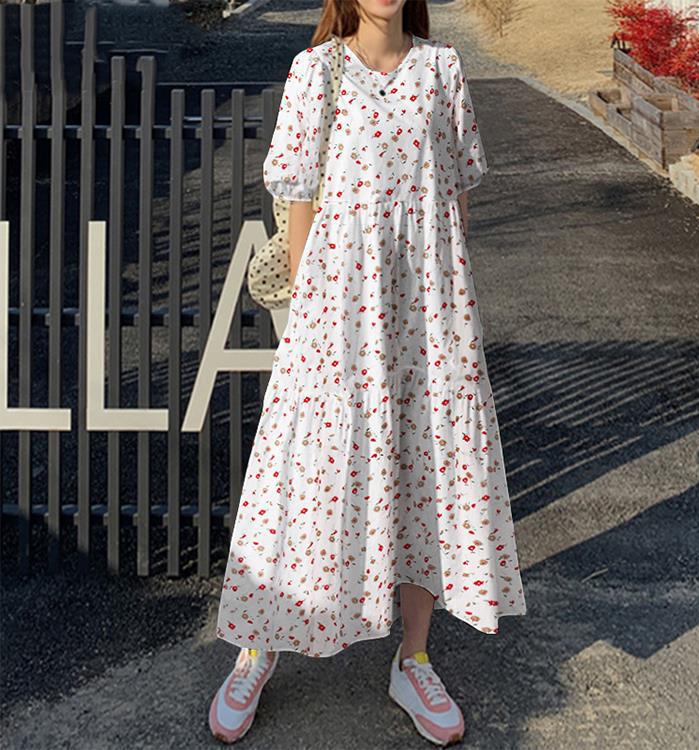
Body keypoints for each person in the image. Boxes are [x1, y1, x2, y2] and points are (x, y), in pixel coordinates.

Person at [209, 0, 527, 745]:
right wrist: (307, 318)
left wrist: (452, 310)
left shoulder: (443, 70)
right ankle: (258, 645)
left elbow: (455, 200)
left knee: (427, 468)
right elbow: (298, 203)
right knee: (306, 470)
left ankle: (413, 658)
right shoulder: (315, 72)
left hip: (427, 310)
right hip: (337, 310)